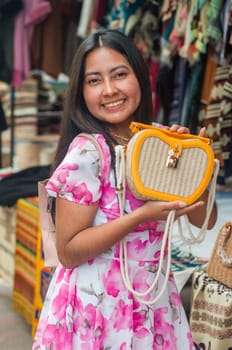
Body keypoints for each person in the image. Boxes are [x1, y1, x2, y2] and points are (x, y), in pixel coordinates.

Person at [32, 29, 217, 350]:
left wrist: (193, 162)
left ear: (140, 78)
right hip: (96, 308)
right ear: (80, 91)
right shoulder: (88, 152)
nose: (109, 90)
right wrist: (140, 217)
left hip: (152, 304)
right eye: (94, 81)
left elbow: (204, 221)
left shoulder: (159, 142)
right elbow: (69, 252)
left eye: (120, 75)